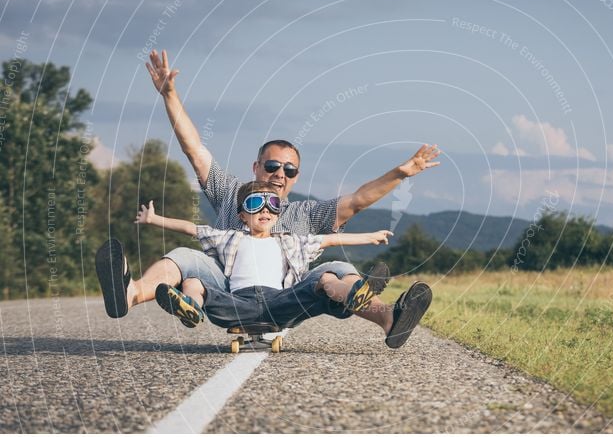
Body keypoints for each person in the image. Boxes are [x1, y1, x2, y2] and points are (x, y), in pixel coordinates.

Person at [94, 50, 441, 333]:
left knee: (332, 268)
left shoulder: (306, 214)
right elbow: (195, 151)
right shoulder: (234, 193)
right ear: (256, 168)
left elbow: (358, 200)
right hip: (227, 288)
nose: (279, 174)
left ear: (296, 176)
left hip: (284, 293)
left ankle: (387, 318)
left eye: (289, 170)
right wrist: (170, 96)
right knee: (185, 256)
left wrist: (401, 172)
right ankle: (131, 293)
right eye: (272, 166)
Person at [133, 180, 432, 348]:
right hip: (235, 303)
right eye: (254, 205)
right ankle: (191, 307)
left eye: (272, 205)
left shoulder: (290, 241)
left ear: (278, 213)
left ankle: (354, 294)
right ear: (241, 215)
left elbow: (330, 241)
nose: (264, 210)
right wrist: (153, 219)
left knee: (326, 279)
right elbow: (190, 228)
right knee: (195, 282)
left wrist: (371, 236)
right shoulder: (228, 238)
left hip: (281, 303)